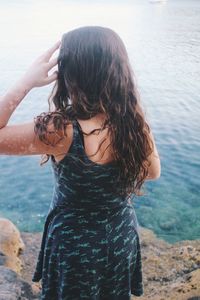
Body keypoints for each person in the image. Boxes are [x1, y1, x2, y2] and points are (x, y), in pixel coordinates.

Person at [0, 26, 161, 299]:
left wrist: (26, 81)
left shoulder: (59, 130)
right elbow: (153, 172)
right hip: (120, 238)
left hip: (74, 247)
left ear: (71, 73)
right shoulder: (133, 124)